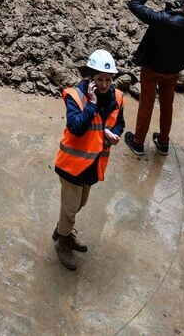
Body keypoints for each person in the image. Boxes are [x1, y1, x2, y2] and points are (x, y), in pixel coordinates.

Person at [52, 49, 125, 270]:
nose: (104, 85)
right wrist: (92, 104)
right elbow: (75, 127)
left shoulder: (117, 97)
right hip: (72, 165)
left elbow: (120, 122)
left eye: (108, 80)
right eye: (99, 80)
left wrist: (114, 133)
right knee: (70, 207)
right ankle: (63, 240)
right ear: (90, 78)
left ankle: (62, 229)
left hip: (93, 164)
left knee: (79, 204)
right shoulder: (76, 97)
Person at [123, 0, 184, 156]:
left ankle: (138, 142)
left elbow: (135, 5)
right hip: (174, 70)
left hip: (152, 67)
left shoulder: (164, 19)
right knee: (166, 104)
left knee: (146, 103)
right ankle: (163, 142)